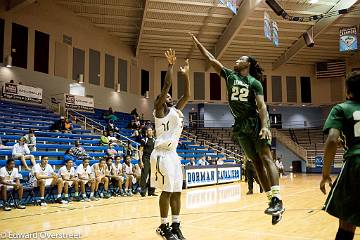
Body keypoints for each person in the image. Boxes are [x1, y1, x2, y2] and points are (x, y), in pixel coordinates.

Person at [191, 33, 284, 225]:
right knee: (256, 163)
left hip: (254, 122)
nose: (237, 60)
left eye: (241, 59)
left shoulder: (255, 83)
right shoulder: (229, 75)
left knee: (266, 158)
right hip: (239, 126)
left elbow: (262, 106)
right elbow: (211, 59)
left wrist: (266, 126)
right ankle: (271, 202)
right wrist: (198, 43)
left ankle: (278, 198)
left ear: (248, 64)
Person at [150, 49, 190, 240]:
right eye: (166, 96)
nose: (169, 97)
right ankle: (163, 226)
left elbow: (187, 95)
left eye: (169, 97)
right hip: (161, 154)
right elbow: (166, 85)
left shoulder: (174, 111)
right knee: (166, 191)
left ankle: (175, 225)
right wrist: (171, 65)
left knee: (177, 191)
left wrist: (187, 76)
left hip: (173, 155)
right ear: (159, 100)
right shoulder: (159, 111)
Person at [320, 71, 360, 240]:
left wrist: (325, 175)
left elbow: (331, 140)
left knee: (347, 223)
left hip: (356, 163)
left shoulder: (341, 108)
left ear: (347, 92)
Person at [139, 127, 156, 197]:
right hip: (145, 159)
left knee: (153, 176)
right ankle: (142, 192)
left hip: (153, 159)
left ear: (153, 132)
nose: (150, 132)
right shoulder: (144, 140)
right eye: (148, 130)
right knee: (144, 175)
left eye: (151, 130)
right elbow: (140, 151)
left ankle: (151, 191)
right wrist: (141, 161)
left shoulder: (155, 140)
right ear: (146, 132)